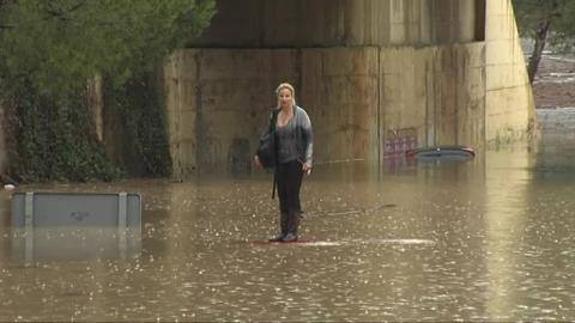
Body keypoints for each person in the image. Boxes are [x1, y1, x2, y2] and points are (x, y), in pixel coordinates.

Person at [254, 82, 313, 242]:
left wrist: (308, 160)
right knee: (282, 195)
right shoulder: (275, 116)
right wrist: (259, 155)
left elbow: (309, 139)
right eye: (282, 96)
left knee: (292, 194)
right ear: (278, 98)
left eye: (287, 96)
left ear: (292, 97)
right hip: (280, 162)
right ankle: (284, 231)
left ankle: (293, 231)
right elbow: (266, 138)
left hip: (296, 161)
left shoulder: (300, 114)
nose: (284, 99)